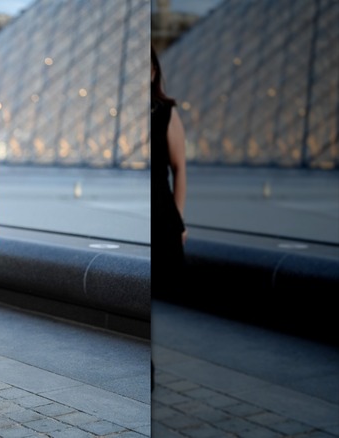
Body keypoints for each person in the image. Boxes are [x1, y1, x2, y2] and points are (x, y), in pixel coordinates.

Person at [150, 44, 187, 389]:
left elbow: (179, 168)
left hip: (161, 210)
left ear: (154, 72)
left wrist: (179, 220)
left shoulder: (166, 112)